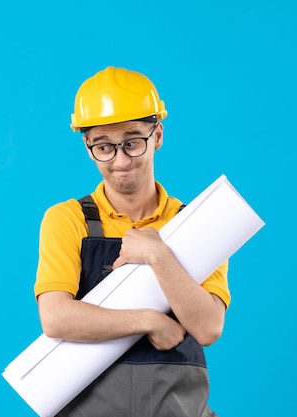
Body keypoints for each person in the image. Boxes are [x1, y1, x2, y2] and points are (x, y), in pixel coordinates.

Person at [34, 66, 230, 417]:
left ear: (157, 135)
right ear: (87, 146)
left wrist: (157, 253)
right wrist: (148, 320)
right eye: (104, 147)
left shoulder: (198, 223)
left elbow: (208, 327)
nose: (120, 161)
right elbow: (56, 318)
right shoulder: (68, 219)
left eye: (132, 142)